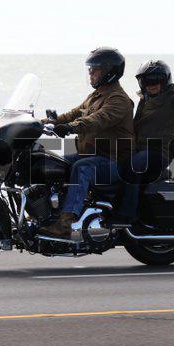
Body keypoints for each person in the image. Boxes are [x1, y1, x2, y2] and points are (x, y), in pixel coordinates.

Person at [38, 47, 135, 239]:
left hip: (113, 161)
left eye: (95, 69)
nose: (90, 73)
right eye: (90, 69)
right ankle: (45, 213)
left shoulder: (119, 100)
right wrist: (44, 123)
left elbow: (98, 119)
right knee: (51, 162)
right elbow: (75, 113)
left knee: (82, 168)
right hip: (92, 154)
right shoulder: (97, 95)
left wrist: (70, 128)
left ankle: (65, 223)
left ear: (109, 71)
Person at [109, 59, 174, 225]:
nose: (151, 85)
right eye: (146, 82)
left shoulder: (172, 99)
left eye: (155, 81)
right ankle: (110, 206)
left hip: (158, 153)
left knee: (134, 165)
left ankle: (127, 214)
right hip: (139, 150)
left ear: (164, 81)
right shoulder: (144, 101)